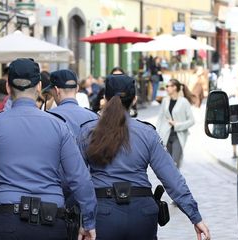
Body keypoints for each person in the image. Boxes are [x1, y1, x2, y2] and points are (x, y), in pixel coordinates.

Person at [0, 58, 97, 240]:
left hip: (7, 220)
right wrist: (89, 221)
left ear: (8, 88)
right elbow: (80, 178)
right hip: (51, 220)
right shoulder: (58, 126)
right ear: (39, 86)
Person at [78, 74, 211, 240]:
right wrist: (195, 216)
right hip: (142, 213)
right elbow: (172, 178)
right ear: (134, 100)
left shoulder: (87, 132)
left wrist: (85, 221)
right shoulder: (148, 133)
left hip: (104, 212)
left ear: (105, 99)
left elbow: (78, 180)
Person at [156, 79, 196, 168]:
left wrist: (177, 125)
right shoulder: (165, 101)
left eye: (168, 86)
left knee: (175, 164)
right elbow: (160, 118)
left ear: (174, 87)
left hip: (178, 136)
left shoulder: (184, 102)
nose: (166, 88)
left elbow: (192, 121)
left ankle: (176, 182)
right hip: (166, 136)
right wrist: (156, 134)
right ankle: (168, 182)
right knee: (167, 164)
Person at [47, 69, 98, 136]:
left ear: (56, 90)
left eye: (51, 92)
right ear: (77, 89)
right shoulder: (94, 117)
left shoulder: (49, 118)